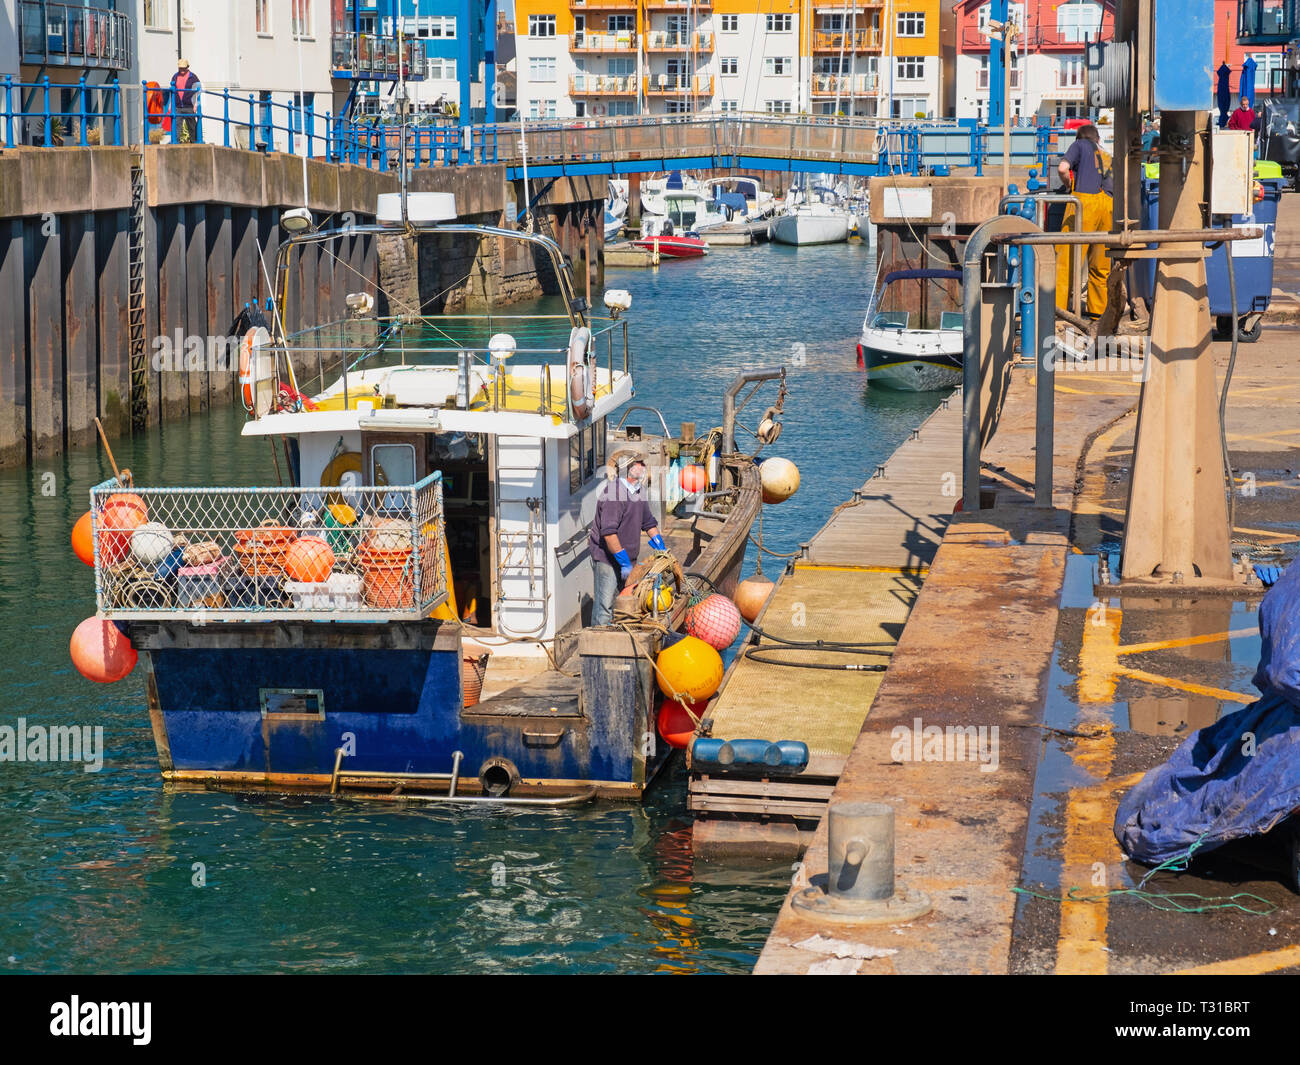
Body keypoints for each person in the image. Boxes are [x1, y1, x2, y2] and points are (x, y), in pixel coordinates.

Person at [588, 456, 666, 626]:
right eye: (640, 465)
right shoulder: (613, 495)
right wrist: (623, 562)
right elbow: (608, 534)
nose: (644, 467)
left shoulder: (639, 490)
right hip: (607, 559)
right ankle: (598, 644)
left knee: (625, 604)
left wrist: (661, 547)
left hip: (629, 559)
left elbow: (648, 522)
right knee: (605, 607)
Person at [1055, 123, 1114, 318]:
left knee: (1067, 259)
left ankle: (1059, 311)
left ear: (1079, 137)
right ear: (1098, 139)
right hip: (1108, 206)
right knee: (1101, 264)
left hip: (1084, 204)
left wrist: (1069, 183)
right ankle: (1098, 313)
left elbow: (1063, 168)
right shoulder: (1106, 154)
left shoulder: (1079, 145)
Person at [170, 58, 201, 142]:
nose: (182, 70)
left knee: (192, 126)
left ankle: (195, 142)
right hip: (178, 106)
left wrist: (196, 105)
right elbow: (172, 91)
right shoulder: (175, 77)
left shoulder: (193, 77)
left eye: (184, 68)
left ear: (187, 67)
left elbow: (198, 91)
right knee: (176, 125)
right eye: (180, 68)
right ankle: (175, 142)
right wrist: (171, 105)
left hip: (189, 106)